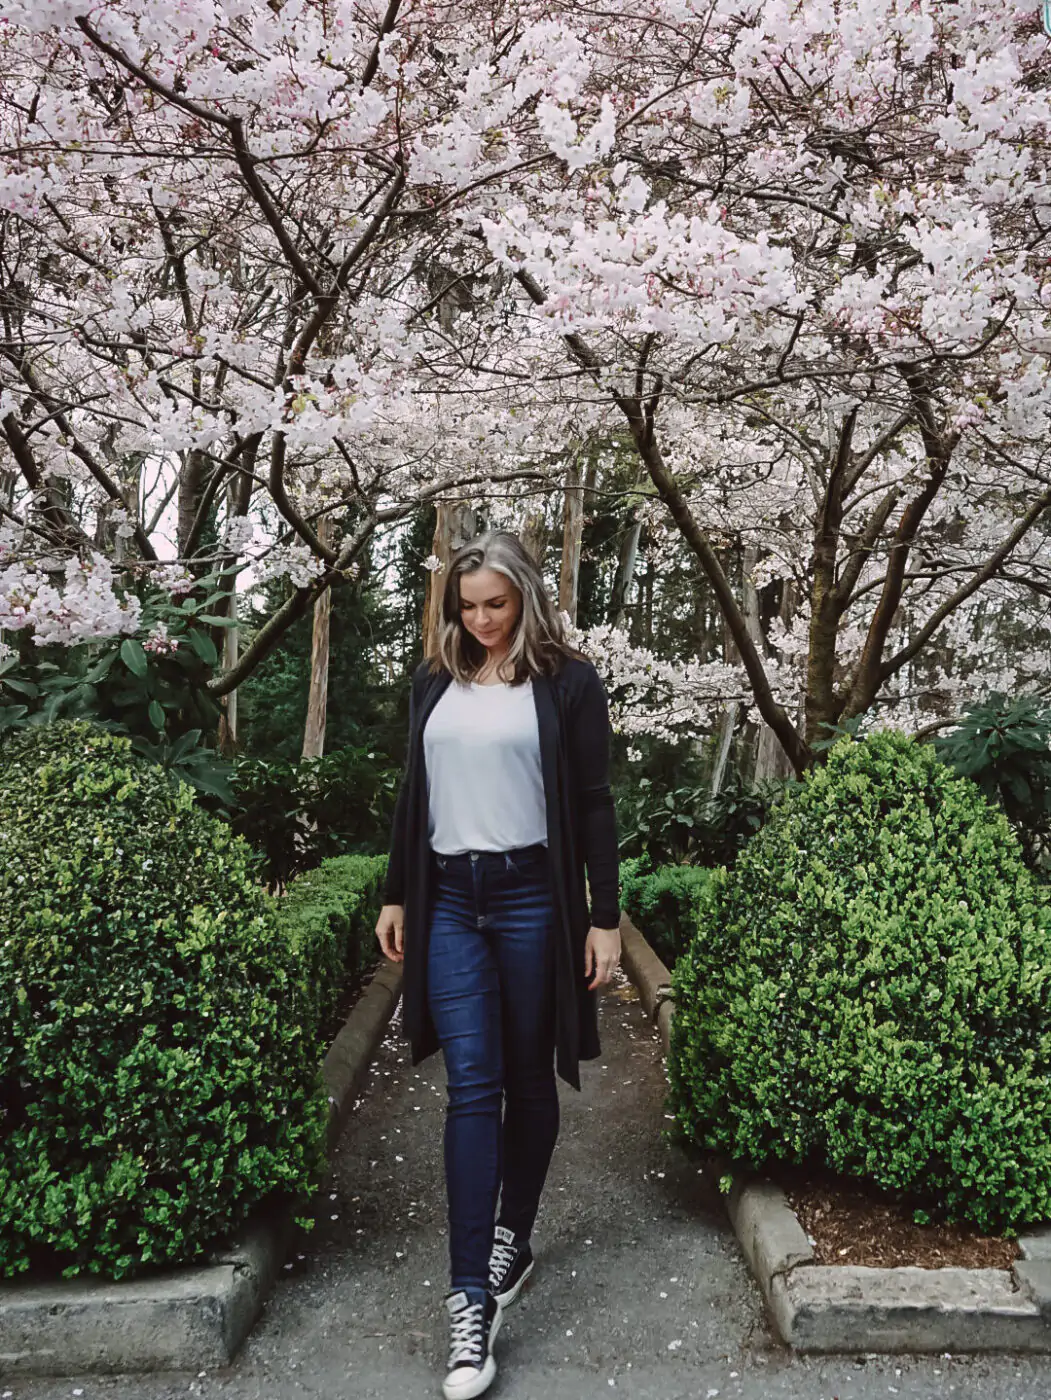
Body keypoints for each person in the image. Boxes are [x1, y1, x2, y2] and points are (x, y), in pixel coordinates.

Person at [375, 529, 622, 1400]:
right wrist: (398, 890)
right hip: (450, 901)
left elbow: (593, 805)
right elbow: (415, 793)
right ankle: (470, 1295)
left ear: (524, 597)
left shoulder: (567, 683)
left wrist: (604, 918)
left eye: (496, 604)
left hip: (529, 900)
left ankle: (513, 1231)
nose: (480, 619)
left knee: (527, 1079)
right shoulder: (433, 683)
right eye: (467, 605)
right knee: (471, 1085)